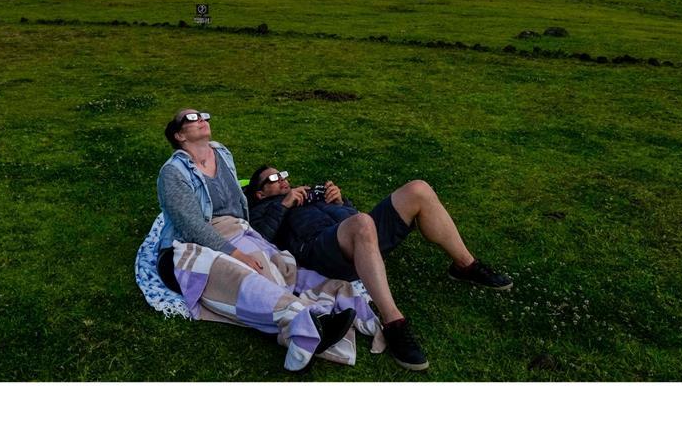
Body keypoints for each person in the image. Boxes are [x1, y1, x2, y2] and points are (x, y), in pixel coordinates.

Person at [150, 108, 382, 371]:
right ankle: (303, 326)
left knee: (286, 270)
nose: (202, 119)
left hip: (238, 230)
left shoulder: (222, 153)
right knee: (243, 276)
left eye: (202, 115)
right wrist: (236, 253)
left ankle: (342, 304)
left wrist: (254, 239)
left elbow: (238, 204)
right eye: (191, 118)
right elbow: (191, 227)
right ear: (179, 134)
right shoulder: (173, 173)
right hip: (189, 247)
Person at [246, 164, 512, 371]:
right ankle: (393, 322)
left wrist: (340, 201)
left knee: (418, 189)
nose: (281, 179)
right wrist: (283, 205)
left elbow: (349, 215)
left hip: (359, 234)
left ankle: (465, 265)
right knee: (362, 223)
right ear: (260, 193)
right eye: (272, 179)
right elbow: (259, 237)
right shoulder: (262, 209)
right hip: (319, 248)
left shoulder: (307, 194)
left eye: (281, 174)